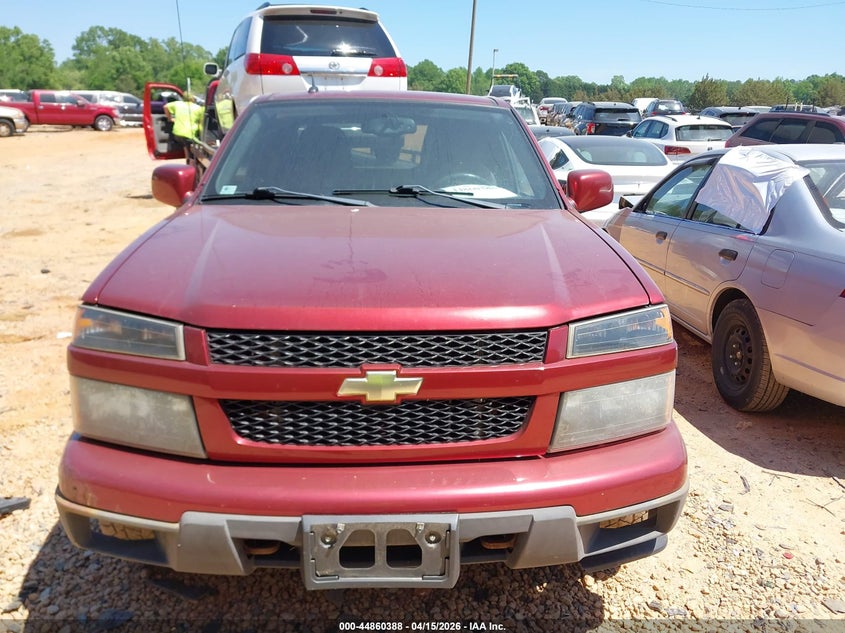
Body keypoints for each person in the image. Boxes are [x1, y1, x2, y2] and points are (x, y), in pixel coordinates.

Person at [164, 92, 203, 157]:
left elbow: (165, 106)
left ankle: (187, 158)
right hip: (190, 134)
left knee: (185, 144)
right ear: (193, 98)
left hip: (177, 133)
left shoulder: (177, 104)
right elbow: (201, 123)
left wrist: (169, 118)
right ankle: (191, 159)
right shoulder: (198, 108)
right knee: (196, 145)